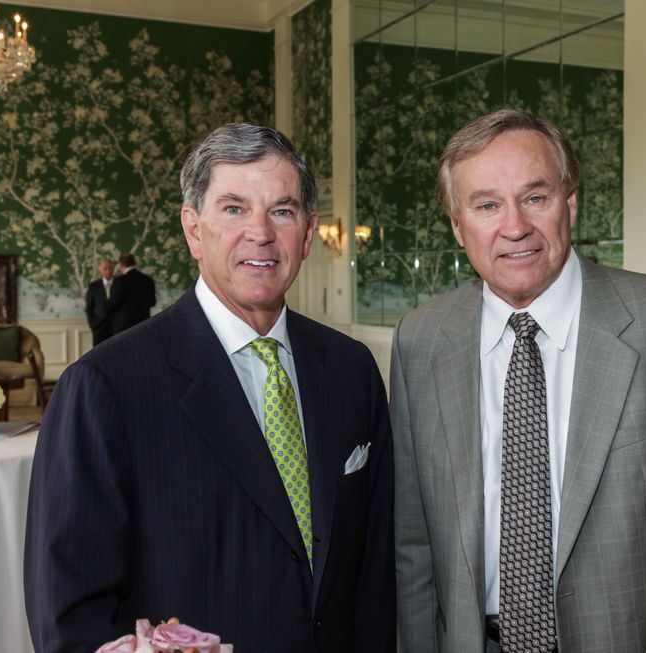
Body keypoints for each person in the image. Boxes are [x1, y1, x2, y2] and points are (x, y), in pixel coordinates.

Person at [391, 109, 646, 652]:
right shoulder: (420, 341)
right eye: (487, 205)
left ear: (570, 202)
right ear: (457, 224)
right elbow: (414, 543)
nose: (514, 226)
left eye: (535, 197)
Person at [25, 123, 395, 652]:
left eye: (282, 211)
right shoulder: (105, 386)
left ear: (309, 234)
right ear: (193, 230)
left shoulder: (351, 369)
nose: (260, 233)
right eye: (234, 208)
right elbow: (68, 615)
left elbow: (373, 574)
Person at [108, 252, 156, 334]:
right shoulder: (148, 280)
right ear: (134, 263)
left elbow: (112, 305)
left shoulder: (119, 281)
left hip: (124, 328)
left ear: (121, 265)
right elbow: (152, 302)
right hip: (143, 325)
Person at [84, 259, 115, 346]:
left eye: (110, 269)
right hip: (99, 328)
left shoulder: (120, 284)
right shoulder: (93, 286)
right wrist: (93, 325)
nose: (108, 271)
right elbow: (89, 308)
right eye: (105, 269)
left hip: (117, 328)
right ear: (100, 270)